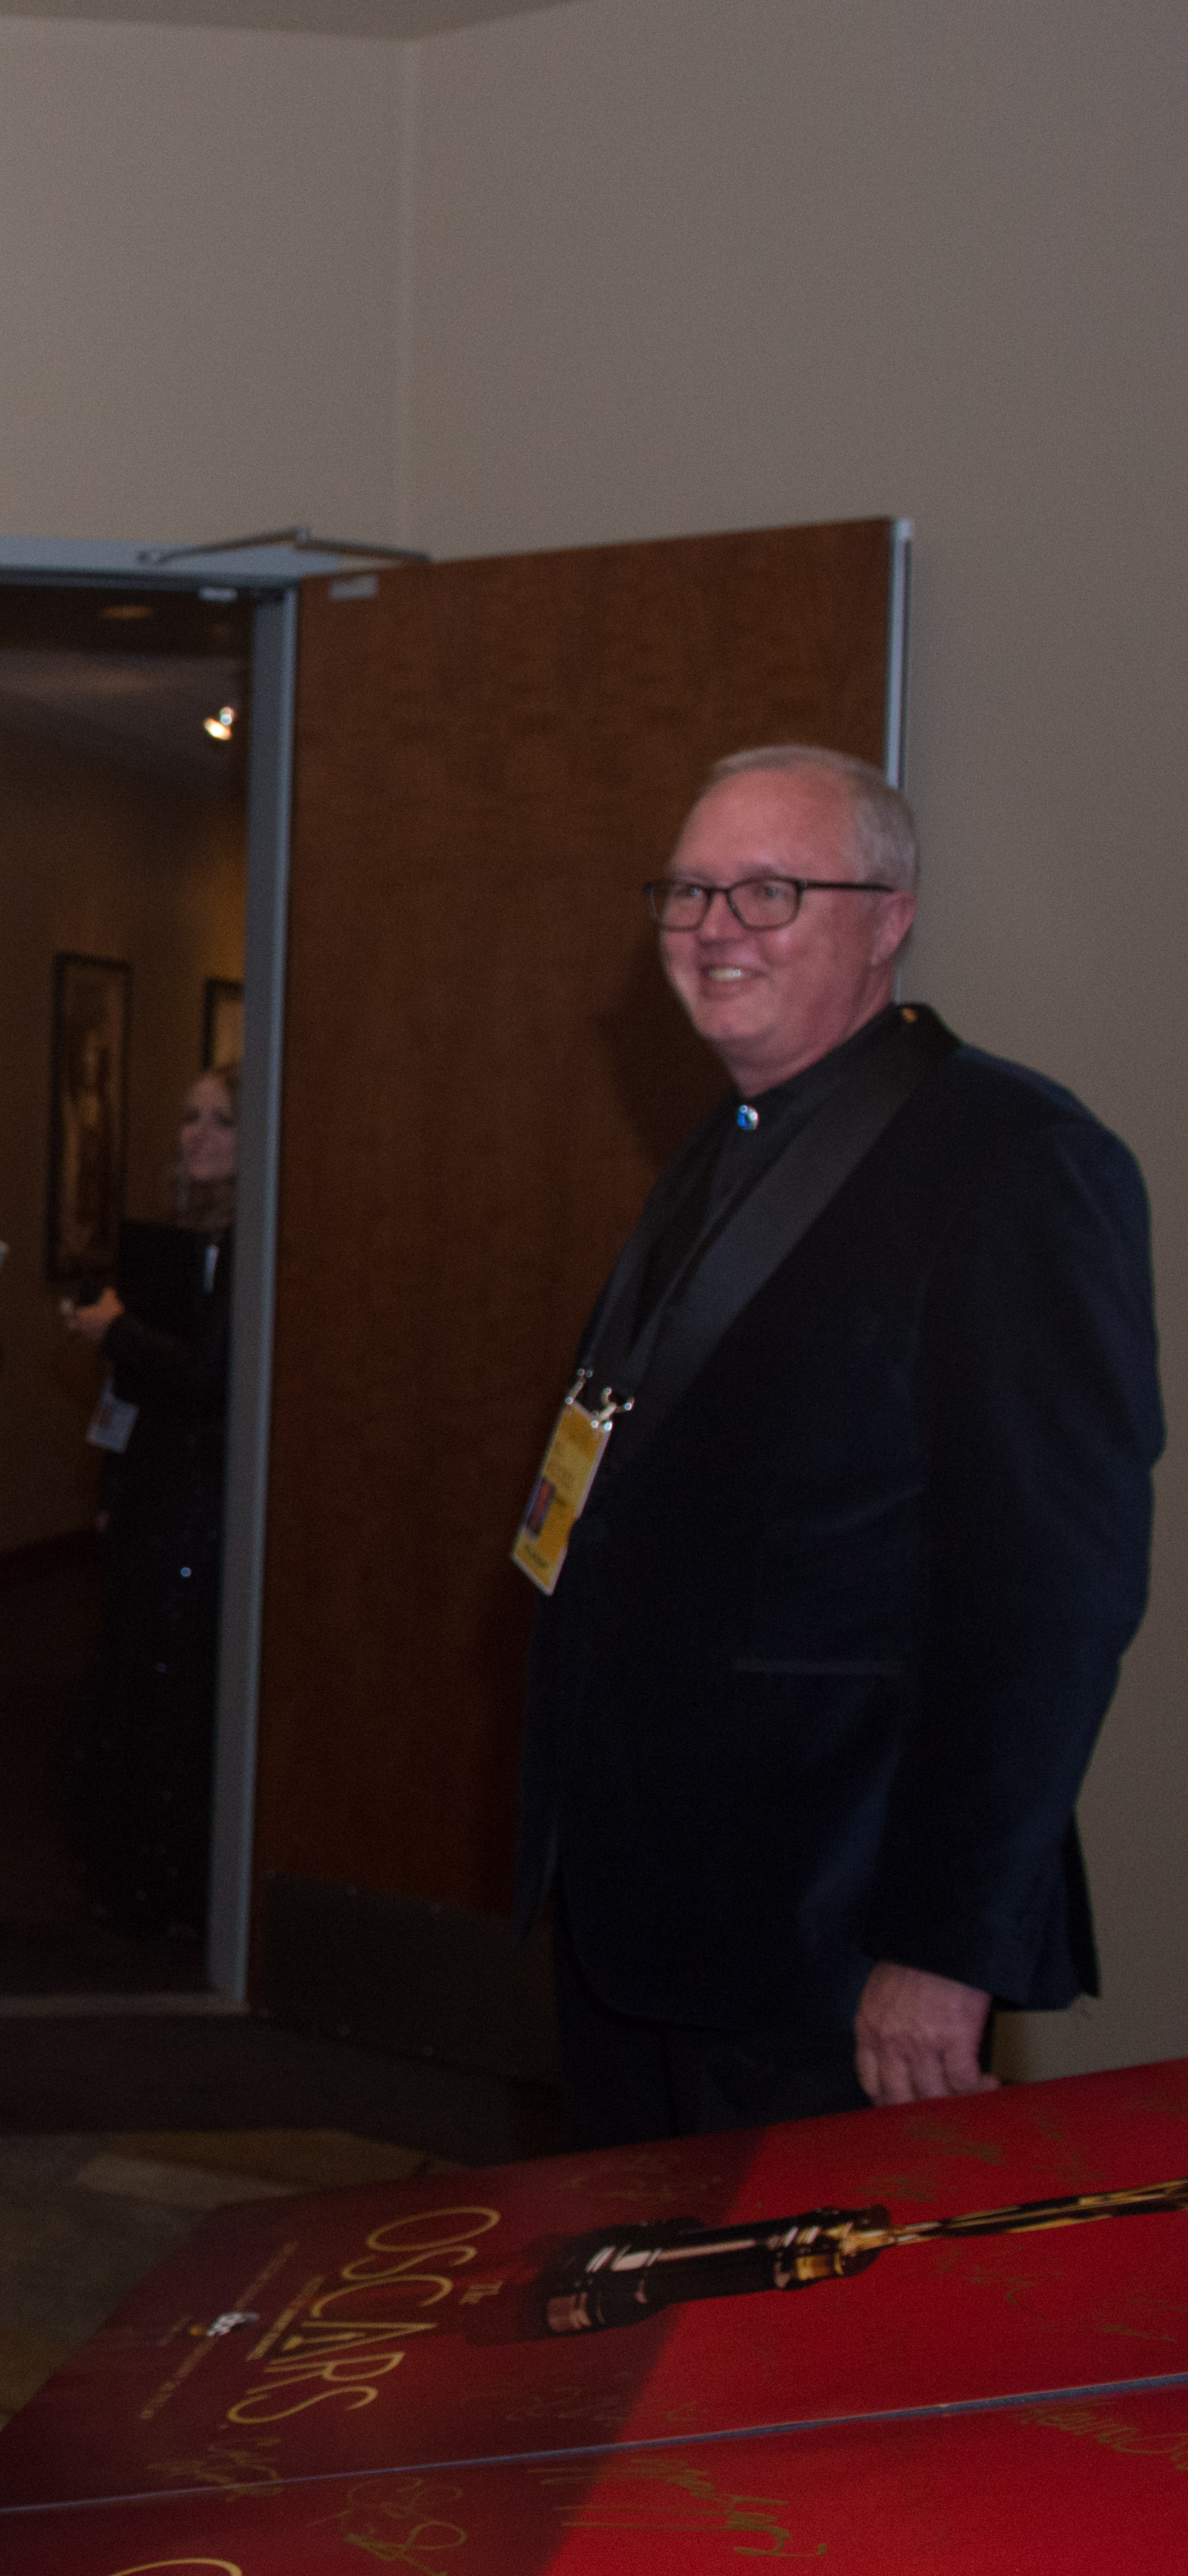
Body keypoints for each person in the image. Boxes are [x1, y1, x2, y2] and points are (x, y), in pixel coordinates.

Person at [520, 746, 1156, 2147]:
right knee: (632, 2338)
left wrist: (945, 1946)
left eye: (768, 890)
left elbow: (1048, 1598)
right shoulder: (729, 1139)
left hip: (832, 1933)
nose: (710, 929)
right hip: (644, 1906)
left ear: (888, 918)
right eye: (687, 891)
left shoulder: (1011, 1162)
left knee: (777, 2343)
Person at [58, 1061, 238, 1944]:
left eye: (221, 1120)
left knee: (179, 1677)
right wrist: (108, 1485)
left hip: (209, 1498)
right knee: (131, 1664)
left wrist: (113, 1328)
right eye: (190, 1117)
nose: (198, 1134)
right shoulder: (168, 1241)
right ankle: (130, 1875)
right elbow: (136, 1388)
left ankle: (180, 1888)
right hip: (153, 1486)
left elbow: (210, 1375)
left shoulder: (255, 1240)